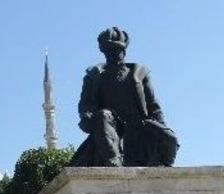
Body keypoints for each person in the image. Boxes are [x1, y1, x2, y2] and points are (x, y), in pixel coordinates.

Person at [71, 27, 178, 167]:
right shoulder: (94, 77)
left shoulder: (139, 73)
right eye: (108, 51)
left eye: (116, 50)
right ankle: (114, 163)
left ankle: (164, 174)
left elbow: (153, 105)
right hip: (110, 127)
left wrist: (161, 127)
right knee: (103, 115)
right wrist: (87, 115)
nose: (112, 54)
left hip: (140, 126)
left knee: (170, 138)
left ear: (124, 51)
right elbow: (86, 105)